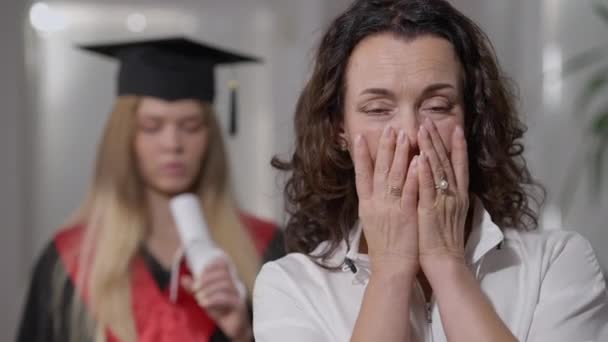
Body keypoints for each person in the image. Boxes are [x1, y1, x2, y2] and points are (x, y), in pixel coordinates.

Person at [253, 0, 608, 341]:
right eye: (378, 109)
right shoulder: (291, 286)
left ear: (470, 119)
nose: (410, 134)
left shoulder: (555, 264)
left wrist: (449, 265)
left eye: (437, 106)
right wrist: (390, 271)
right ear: (339, 130)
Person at [17, 37, 284, 342]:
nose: (172, 144)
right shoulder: (68, 262)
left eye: (191, 126)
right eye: (152, 126)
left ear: (210, 138)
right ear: (125, 137)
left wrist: (241, 332)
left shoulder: (265, 250)